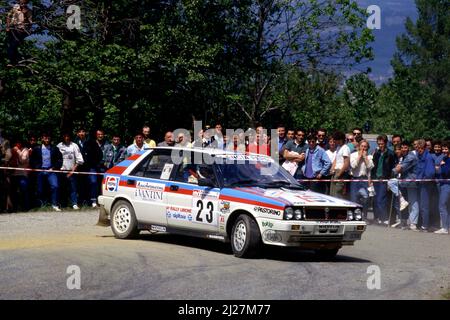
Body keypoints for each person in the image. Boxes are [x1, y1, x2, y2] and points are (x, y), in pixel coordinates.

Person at [30, 132, 63, 211]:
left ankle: (54, 204)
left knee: (55, 186)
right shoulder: (37, 148)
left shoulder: (55, 148)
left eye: (48, 137)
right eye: (45, 137)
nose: (47, 139)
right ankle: (41, 204)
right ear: (42, 138)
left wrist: (54, 167)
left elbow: (60, 160)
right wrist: (36, 167)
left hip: (51, 171)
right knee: (39, 189)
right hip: (40, 171)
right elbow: (32, 160)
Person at [392, 141, 419, 230]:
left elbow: (400, 168)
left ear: (409, 148)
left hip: (412, 183)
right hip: (405, 183)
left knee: (413, 203)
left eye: (405, 148)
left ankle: (413, 223)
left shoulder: (410, 157)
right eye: (402, 148)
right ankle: (404, 221)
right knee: (404, 203)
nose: (403, 149)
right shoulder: (404, 157)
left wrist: (394, 169)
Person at [370, 134, 395, 224]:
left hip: (384, 180)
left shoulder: (390, 154)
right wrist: (372, 179)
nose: (380, 145)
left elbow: (393, 168)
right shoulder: (376, 153)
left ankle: (384, 218)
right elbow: (373, 167)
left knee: (381, 199)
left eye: (382, 144)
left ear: (386, 143)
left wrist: (389, 179)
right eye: (379, 144)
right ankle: (378, 218)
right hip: (376, 179)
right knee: (376, 200)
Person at [57, 133, 84, 210]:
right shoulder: (59, 146)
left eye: (68, 136)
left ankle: (74, 203)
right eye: (65, 136)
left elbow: (80, 160)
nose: (66, 137)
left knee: (73, 188)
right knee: (62, 188)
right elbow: (55, 158)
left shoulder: (74, 145)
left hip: (72, 171)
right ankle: (62, 204)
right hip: (61, 171)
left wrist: (72, 171)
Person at [349, 139, 373, 220]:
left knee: (366, 198)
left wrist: (365, 158)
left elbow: (370, 167)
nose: (363, 148)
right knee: (354, 199)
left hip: (364, 180)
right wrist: (359, 157)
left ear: (367, 148)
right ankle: (354, 217)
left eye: (365, 147)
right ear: (359, 147)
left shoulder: (369, 156)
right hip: (355, 179)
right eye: (362, 146)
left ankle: (364, 215)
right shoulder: (353, 155)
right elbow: (353, 166)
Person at [415, 139, 436, 231]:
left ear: (423, 148)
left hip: (426, 185)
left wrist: (423, 178)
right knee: (422, 205)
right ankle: (423, 224)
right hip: (421, 184)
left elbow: (430, 172)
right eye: (417, 148)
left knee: (425, 206)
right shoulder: (420, 156)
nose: (418, 150)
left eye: (420, 148)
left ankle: (425, 225)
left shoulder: (428, 157)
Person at [5, 0, 32, 66]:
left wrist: (25, 14)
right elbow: (9, 16)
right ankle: (15, 60)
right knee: (11, 45)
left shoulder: (29, 11)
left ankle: (13, 61)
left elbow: (30, 23)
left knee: (14, 44)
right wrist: (7, 26)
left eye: (24, 3)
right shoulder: (15, 7)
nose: (22, 4)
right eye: (21, 2)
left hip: (21, 29)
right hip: (12, 28)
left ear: (26, 3)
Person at [9, 137, 30, 211]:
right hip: (13, 174)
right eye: (16, 142)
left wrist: (18, 151)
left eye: (19, 142)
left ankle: (25, 207)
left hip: (22, 174)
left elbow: (23, 160)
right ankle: (14, 207)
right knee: (13, 192)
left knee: (23, 190)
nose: (18, 144)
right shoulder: (11, 150)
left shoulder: (25, 150)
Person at [330, 131, 350, 199]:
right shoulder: (338, 147)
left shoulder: (345, 148)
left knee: (337, 194)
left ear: (340, 140)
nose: (334, 141)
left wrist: (339, 174)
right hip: (335, 172)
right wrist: (332, 168)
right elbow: (336, 159)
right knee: (332, 194)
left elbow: (346, 163)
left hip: (341, 173)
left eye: (335, 140)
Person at [435, 141, 449, 234]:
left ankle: (444, 227)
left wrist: (440, 167)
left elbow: (447, 172)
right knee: (447, 206)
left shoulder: (446, 160)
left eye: (446, 149)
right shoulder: (445, 158)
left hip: (446, 184)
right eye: (443, 148)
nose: (444, 150)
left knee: (442, 205)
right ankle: (447, 227)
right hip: (443, 184)